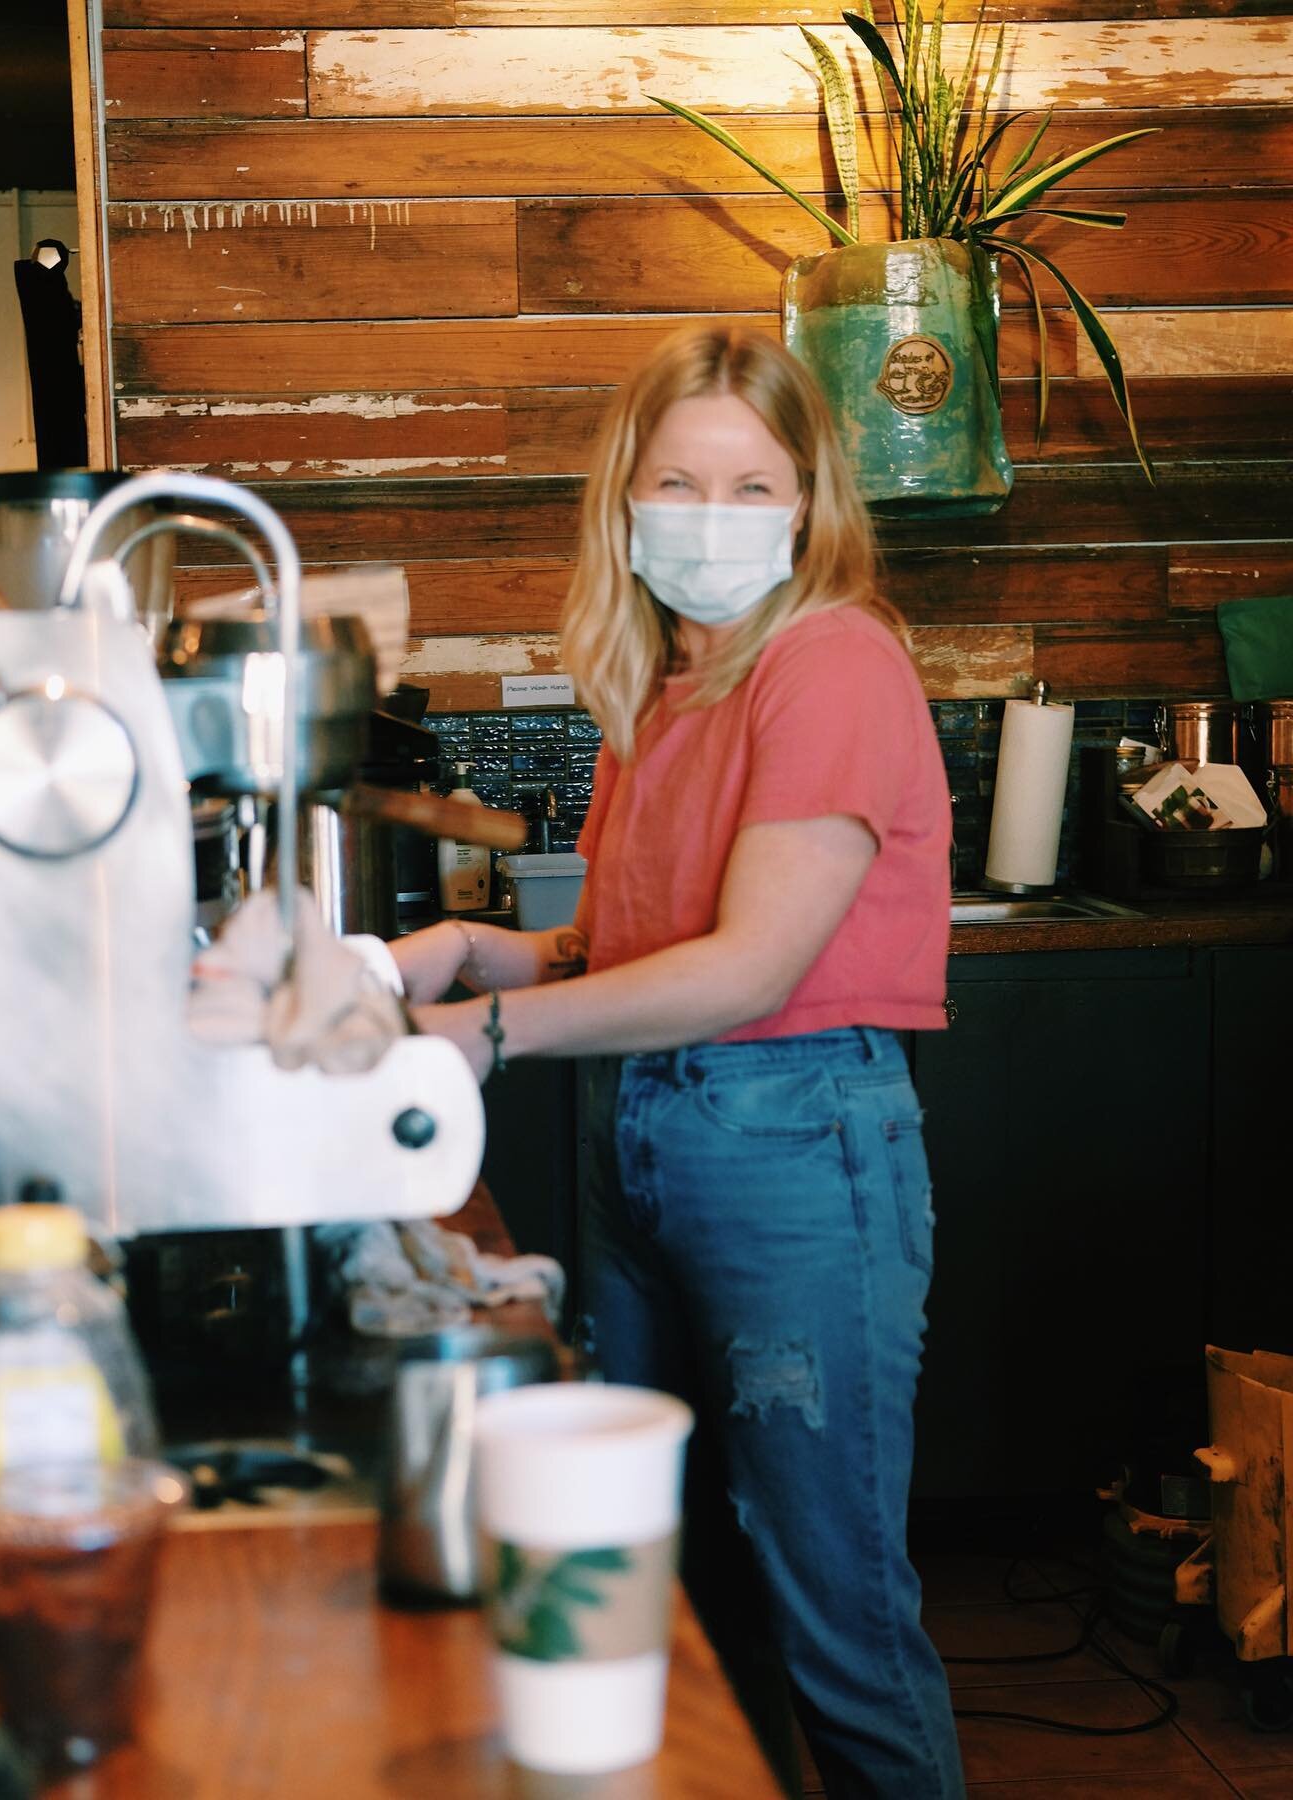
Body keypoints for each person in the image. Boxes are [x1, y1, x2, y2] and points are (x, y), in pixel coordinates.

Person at [390, 325, 963, 1800]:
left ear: (809, 500)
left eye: (749, 483)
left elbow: (749, 967)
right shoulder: (669, 690)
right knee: (679, 1581)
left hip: (792, 1145)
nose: (710, 517)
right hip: (644, 1133)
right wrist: (464, 958)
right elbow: (625, 954)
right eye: (677, 482)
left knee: (829, 1609)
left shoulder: (831, 661)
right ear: (624, 499)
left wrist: (487, 1033)